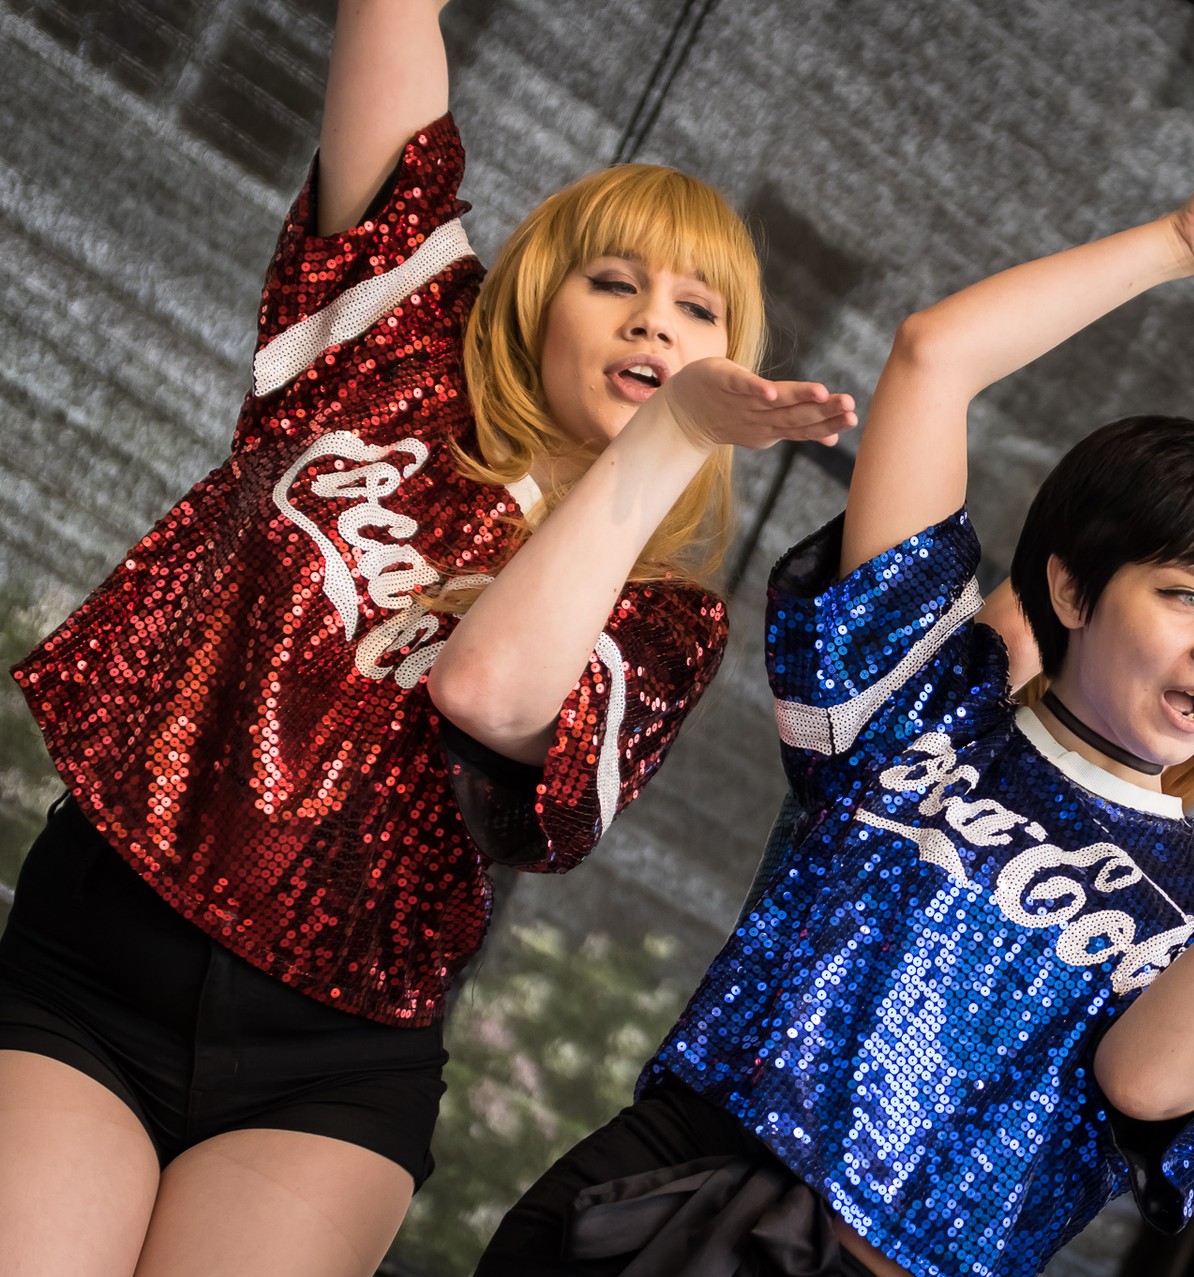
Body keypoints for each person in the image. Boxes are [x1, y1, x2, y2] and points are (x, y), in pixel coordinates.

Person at [474, 164, 1194, 1277]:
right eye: (1185, 594)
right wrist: (1179, 242)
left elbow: (1147, 1085)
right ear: (1072, 587)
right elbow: (934, 356)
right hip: (654, 1196)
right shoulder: (930, 704)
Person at [0, 3, 855, 1275]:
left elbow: (489, 690)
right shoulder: (391, 347)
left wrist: (671, 437)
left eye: (698, 308)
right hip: (95, 963)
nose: (653, 323)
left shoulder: (666, 619)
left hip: (329, 1063)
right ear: (538, 301)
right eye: (614, 281)